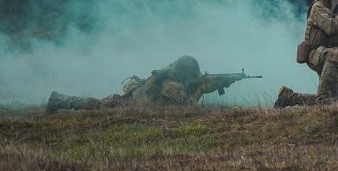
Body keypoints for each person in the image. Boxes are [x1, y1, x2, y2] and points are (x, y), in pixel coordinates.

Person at [47, 55, 218, 111]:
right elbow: (189, 107)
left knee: (99, 104)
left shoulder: (171, 76)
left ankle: (59, 100)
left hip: (132, 99)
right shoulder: (171, 85)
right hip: (129, 104)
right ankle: (59, 100)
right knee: (96, 105)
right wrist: (202, 89)